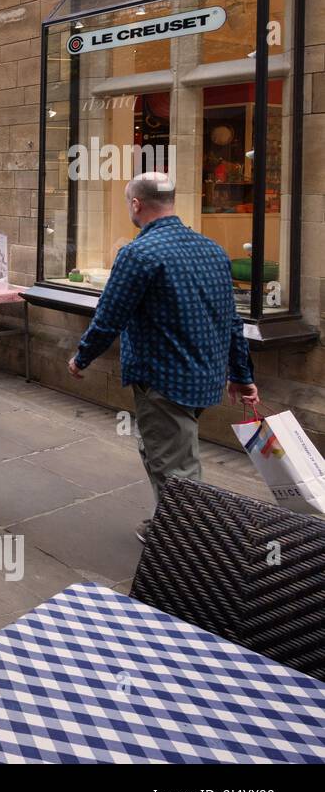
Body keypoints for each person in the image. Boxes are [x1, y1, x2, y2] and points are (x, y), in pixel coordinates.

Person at [67, 173, 258, 540]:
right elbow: (233, 320)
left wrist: (81, 358)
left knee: (177, 468)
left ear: (136, 204)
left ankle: (187, 548)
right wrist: (242, 375)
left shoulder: (139, 253)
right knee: (160, 449)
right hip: (206, 378)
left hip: (165, 379)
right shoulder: (213, 250)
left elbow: (110, 316)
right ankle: (168, 524)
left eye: (129, 205)